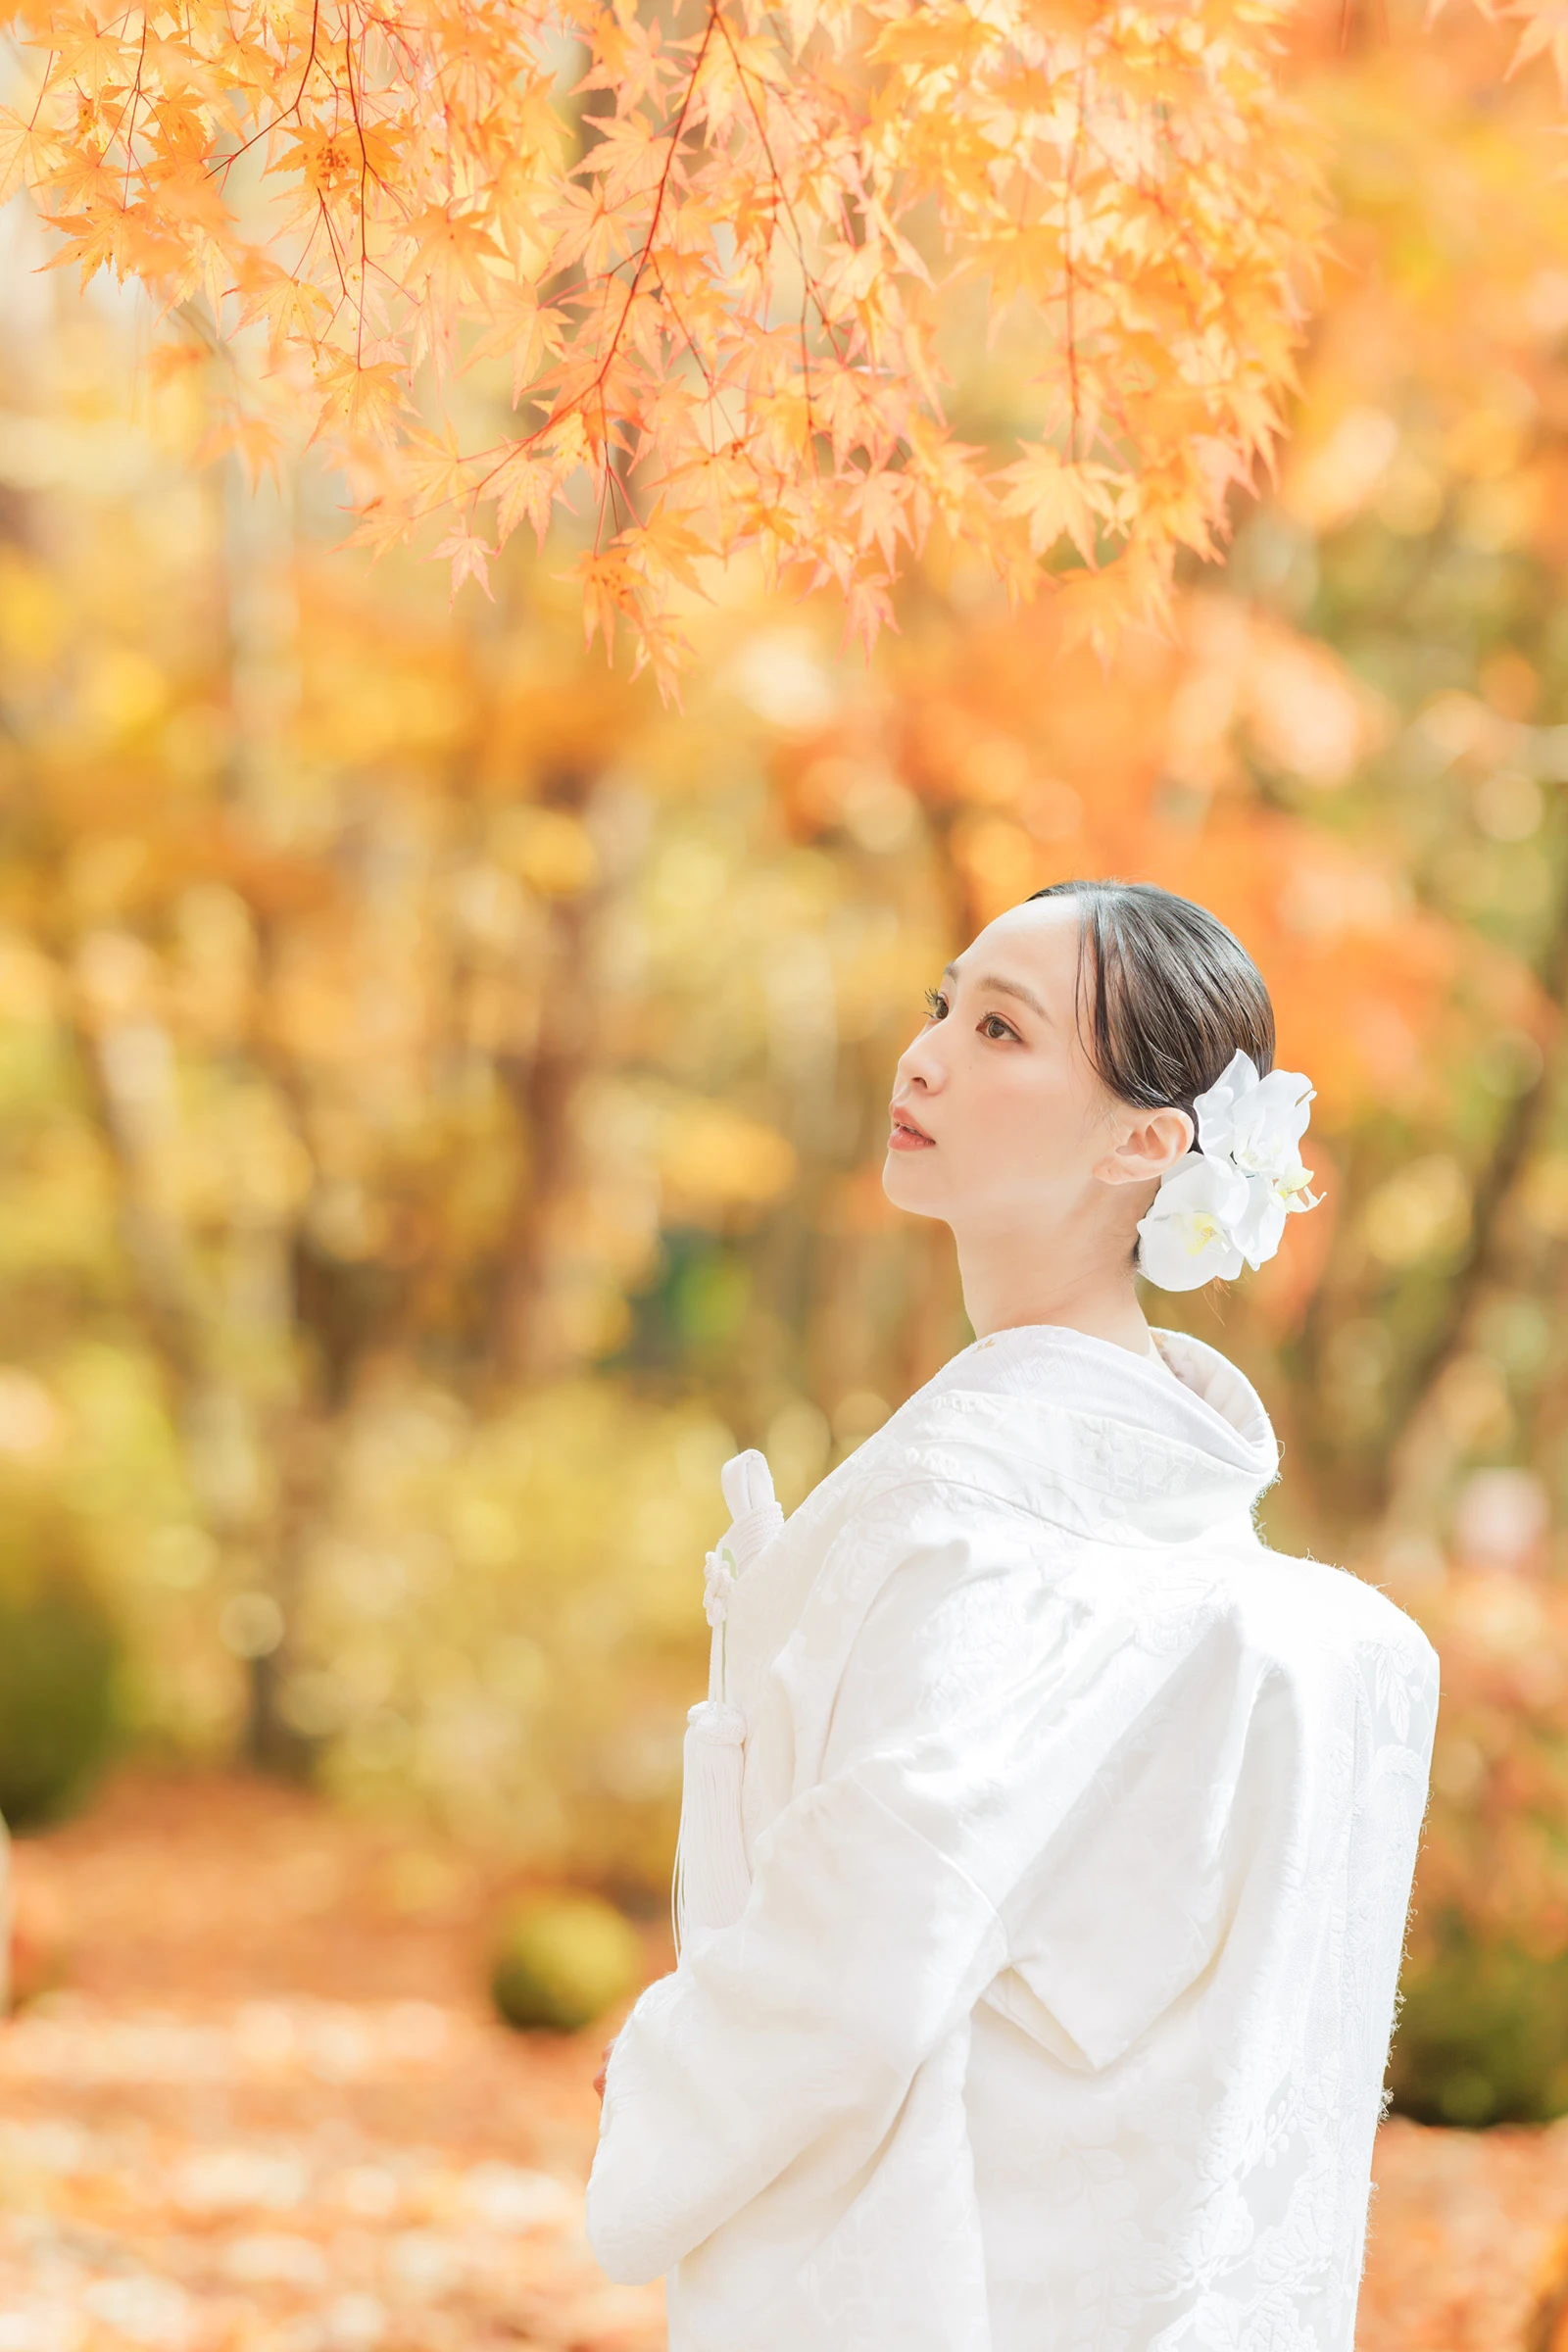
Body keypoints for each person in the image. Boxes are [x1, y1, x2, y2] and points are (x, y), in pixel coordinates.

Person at [585, 880, 1439, 2352]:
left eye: (999, 1029)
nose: (923, 1058)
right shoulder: (1139, 1485)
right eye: (941, 1008)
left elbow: (885, 1910)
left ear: (1147, 1144)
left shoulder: (980, 1508)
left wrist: (681, 2071)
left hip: (924, 2255)